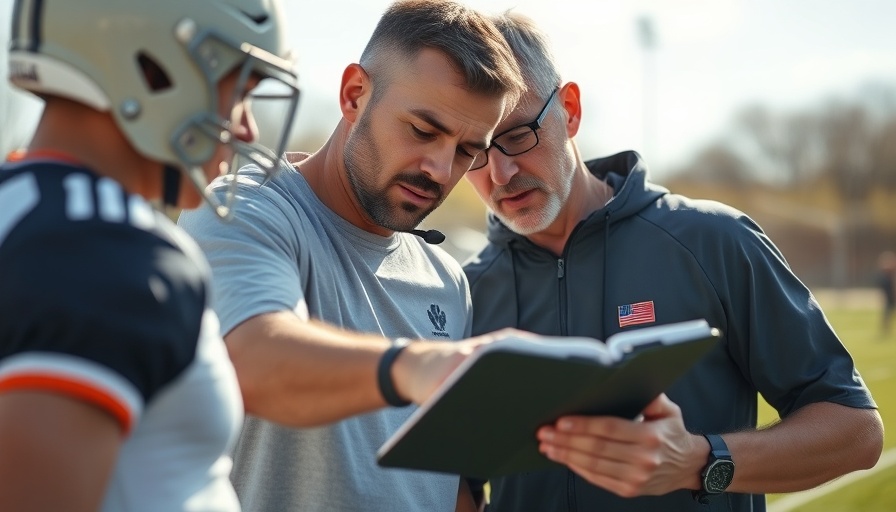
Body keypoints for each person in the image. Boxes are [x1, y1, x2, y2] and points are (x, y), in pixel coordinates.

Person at [461, 11, 884, 512]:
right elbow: (459, 481)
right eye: (472, 151)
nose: (500, 173)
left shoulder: (714, 241)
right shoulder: (461, 292)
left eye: (516, 135)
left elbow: (856, 430)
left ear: (569, 110)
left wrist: (699, 461)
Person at [178, 1, 527, 511]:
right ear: (354, 95)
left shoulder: (447, 280)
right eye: (422, 131)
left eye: (466, 150)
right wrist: (413, 366)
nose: (439, 168)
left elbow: (443, 483)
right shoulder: (241, 211)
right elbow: (253, 361)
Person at [0, 0, 301, 511]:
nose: (247, 129)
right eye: (240, 93)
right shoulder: (108, 253)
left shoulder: (37, 214)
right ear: (153, 68)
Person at [878, 250, 896, 337]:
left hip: (892, 297)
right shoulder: (885, 276)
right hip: (889, 297)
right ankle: (885, 330)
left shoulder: (892, 275)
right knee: (887, 314)